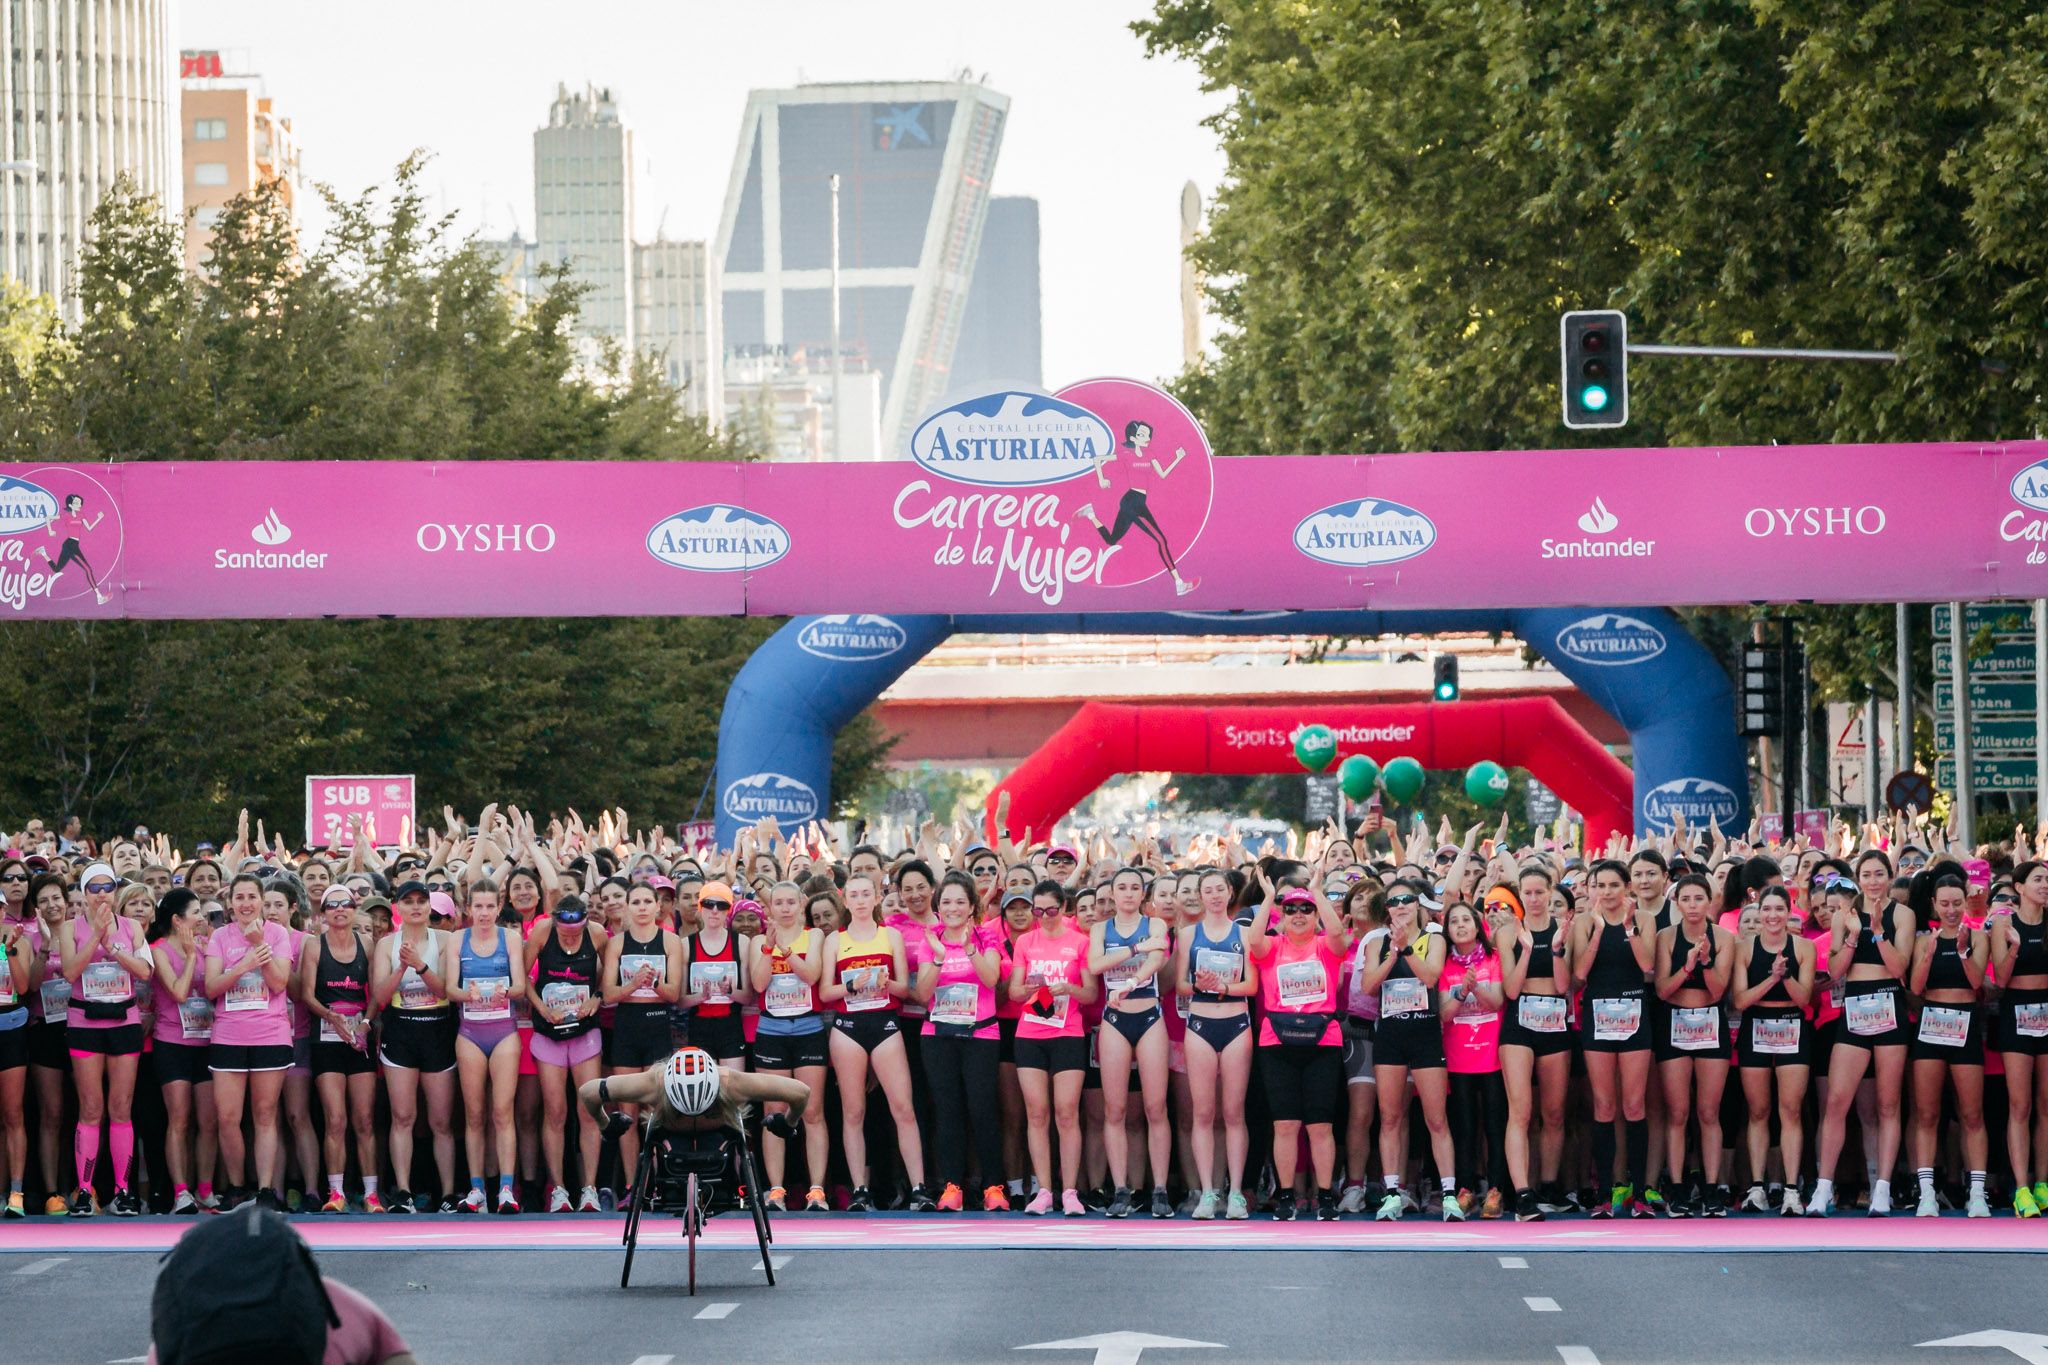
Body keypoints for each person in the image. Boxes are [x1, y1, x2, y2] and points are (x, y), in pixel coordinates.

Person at [818, 873, 931, 1211]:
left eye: (867, 893)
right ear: (846, 900)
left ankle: (919, 1188)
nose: (862, 900)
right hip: (848, 1026)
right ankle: (859, 1190)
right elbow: (825, 992)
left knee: (903, 1108)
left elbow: (904, 989)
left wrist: (883, 982)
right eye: (855, 894)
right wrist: (853, 986)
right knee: (853, 1111)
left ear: (877, 897)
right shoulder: (835, 941)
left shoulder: (891, 935)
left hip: (884, 1023)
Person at [1810, 870, 1914, 1217]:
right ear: (1860, 879)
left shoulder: (1903, 914)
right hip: (1855, 1008)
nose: (1873, 881)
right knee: (1837, 1101)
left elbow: (1900, 967)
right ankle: (1823, 1188)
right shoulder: (1844, 914)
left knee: (1888, 1104)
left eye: (1879, 874)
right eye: (1866, 874)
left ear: (1888, 877)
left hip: (1889, 1004)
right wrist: (1854, 935)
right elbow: (1836, 970)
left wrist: (1880, 933)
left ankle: (1881, 1187)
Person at [1357, 879, 1457, 1221]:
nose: (1401, 906)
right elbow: (1369, 986)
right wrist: (1393, 953)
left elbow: (1431, 978)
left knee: (1436, 1117)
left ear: (1418, 905)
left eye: (1407, 900)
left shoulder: (1434, 938)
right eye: (1394, 901)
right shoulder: (1377, 943)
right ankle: (1391, 1192)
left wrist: (1408, 949)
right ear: (1387, 908)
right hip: (1391, 1036)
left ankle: (1448, 1193)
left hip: (1426, 1033)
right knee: (1390, 1117)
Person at [912, 870, 1008, 1212]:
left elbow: (992, 978)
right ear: (939, 906)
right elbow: (923, 994)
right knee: (947, 1111)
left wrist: (969, 949)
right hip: (938, 1036)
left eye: (959, 902)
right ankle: (952, 1185)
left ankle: (993, 1186)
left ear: (971, 907)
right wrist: (939, 956)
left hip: (981, 1034)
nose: (952, 908)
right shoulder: (930, 939)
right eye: (947, 902)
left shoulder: (986, 937)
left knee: (982, 1110)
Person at [1569, 859, 1659, 1218]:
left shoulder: (1645, 920)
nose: (1606, 892)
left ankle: (1638, 1194)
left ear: (1627, 888)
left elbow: (1648, 966)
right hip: (1598, 1015)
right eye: (1599, 886)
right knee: (1604, 1106)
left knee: (1634, 1105)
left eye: (1613, 885)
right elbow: (1577, 975)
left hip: (1636, 1013)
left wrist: (1628, 928)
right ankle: (1605, 1193)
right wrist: (1594, 935)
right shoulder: (1582, 922)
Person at [63, 861, 154, 1214]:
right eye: (94, 888)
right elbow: (71, 970)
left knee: (120, 1108)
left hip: (124, 1022)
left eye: (107, 887)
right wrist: (97, 937)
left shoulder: (131, 927)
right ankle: (85, 1191)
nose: (101, 894)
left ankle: (122, 1191)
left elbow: (146, 972)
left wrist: (113, 946)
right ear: (84, 894)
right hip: (85, 1023)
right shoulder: (71, 928)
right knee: (90, 1108)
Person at [202, 872, 296, 1211]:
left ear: (261, 900)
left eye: (251, 897)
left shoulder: (278, 934)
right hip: (228, 1034)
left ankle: (267, 1189)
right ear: (230, 904)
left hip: (269, 1033)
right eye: (239, 898)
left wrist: (259, 944)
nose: (245, 904)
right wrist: (243, 964)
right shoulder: (219, 938)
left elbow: (279, 983)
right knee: (227, 1116)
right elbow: (211, 988)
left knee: (265, 1113)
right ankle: (238, 1186)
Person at [1087, 867, 1173, 1218]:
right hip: (1115, 1020)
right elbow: (1096, 964)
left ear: (1143, 894)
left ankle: (1160, 1190)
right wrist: (1134, 947)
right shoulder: (1100, 929)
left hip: (1149, 1015)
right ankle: (1120, 1188)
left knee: (1155, 1108)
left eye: (1134, 887)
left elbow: (1157, 958)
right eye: (1121, 887)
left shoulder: (1155, 924)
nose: (1127, 893)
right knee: (1115, 1109)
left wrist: (1130, 979)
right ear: (1113, 893)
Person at [1008, 877, 1096, 1215]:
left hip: (1068, 1032)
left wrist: (1067, 988)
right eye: (1038, 910)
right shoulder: (1026, 942)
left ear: (1064, 909)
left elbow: (1090, 994)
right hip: (1031, 1032)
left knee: (1066, 1112)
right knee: (1036, 1112)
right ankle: (1044, 1189)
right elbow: (1014, 992)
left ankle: (1070, 1190)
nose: (1044, 916)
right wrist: (1032, 985)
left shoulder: (1080, 942)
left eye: (1051, 910)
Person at [370, 880, 459, 1214]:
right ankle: (403, 1190)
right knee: (402, 1116)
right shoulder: (386, 945)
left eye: (422, 901)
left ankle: (449, 1193)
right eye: (408, 901)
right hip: (401, 1031)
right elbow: (379, 998)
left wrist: (420, 965)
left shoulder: (446, 940)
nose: (417, 907)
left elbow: (447, 992)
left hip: (437, 1030)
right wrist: (403, 966)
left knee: (440, 1121)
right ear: (398, 907)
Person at [1907, 873, 1991, 1218]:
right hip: (1931, 1025)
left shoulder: (1978, 936)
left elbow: (1976, 985)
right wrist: (1927, 955)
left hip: (1965, 1022)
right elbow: (1914, 988)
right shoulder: (1922, 940)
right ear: (1934, 905)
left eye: (1957, 903)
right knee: (1927, 1114)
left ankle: (1977, 1193)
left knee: (1972, 1114)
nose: (1952, 909)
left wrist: (1962, 952)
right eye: (1945, 904)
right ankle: (1926, 1191)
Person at [1652, 873, 1735, 1216]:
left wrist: (1705, 962)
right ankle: (1677, 1187)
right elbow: (1661, 989)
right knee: (1678, 1112)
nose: (1692, 906)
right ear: (1677, 902)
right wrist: (1686, 968)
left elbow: (1718, 991)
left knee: (1708, 1112)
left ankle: (1712, 1187)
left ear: (1709, 901)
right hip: (1674, 1021)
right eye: (1685, 899)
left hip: (1710, 1023)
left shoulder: (1725, 938)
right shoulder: (1665, 937)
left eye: (1698, 899)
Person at [1177, 866, 1255, 1220]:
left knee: (1233, 1112)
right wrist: (1199, 983)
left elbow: (1251, 986)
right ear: (1201, 894)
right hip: (1200, 1023)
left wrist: (1222, 987)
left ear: (1229, 893)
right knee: (1203, 1112)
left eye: (1218, 889)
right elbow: (1180, 985)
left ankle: (1235, 1192)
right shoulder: (1188, 934)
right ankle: (1208, 1191)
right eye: (1206, 890)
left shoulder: (1244, 932)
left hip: (1237, 1022)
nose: (1213, 895)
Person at [447, 880, 529, 1214]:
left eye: (489, 907)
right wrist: (469, 994)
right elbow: (451, 989)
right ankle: (477, 1188)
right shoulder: (457, 939)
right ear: (469, 908)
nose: (483, 913)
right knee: (474, 1114)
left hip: (504, 1032)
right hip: (470, 1032)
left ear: (499, 907)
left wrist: (505, 992)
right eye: (477, 907)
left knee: (502, 1111)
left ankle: (507, 1188)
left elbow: (521, 985)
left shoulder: (510, 938)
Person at [1496, 867, 1573, 1221]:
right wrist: (1526, 951)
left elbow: (1563, 986)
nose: (1533, 899)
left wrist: (1556, 949)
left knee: (1554, 1113)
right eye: (1526, 893)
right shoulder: (1508, 932)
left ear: (1549, 893)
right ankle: (1523, 1192)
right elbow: (1510, 990)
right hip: (1519, 1024)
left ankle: (1549, 1184)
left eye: (1539, 892)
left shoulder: (1563, 930)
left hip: (1554, 1021)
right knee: (1521, 1111)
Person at [749, 880, 831, 1211]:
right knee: (774, 1112)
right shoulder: (759, 940)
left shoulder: (814, 936)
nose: (784, 908)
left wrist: (784, 951)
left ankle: (816, 1190)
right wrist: (768, 950)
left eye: (790, 902)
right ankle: (776, 1191)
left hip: (808, 1026)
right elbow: (757, 984)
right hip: (772, 1027)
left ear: (800, 904)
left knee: (812, 1111)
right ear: (770, 908)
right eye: (778, 902)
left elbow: (811, 975)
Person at [1732, 885, 1814, 1215]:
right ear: (1758, 912)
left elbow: (1805, 998)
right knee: (1758, 1111)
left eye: (1779, 909)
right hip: (1756, 1024)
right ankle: (1756, 1187)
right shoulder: (1744, 949)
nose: (1772, 916)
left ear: (1789, 912)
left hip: (1792, 1024)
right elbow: (1740, 1000)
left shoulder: (1804, 947)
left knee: (1790, 1110)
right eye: (1767, 909)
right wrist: (1771, 978)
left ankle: (1792, 1189)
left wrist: (1786, 976)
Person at [599, 882, 681, 1210]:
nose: (643, 907)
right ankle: (635, 1185)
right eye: (637, 901)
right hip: (627, 1030)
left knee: (656, 1113)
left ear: (658, 907)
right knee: (627, 1113)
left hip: (658, 1028)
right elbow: (607, 994)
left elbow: (674, 993)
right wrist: (633, 983)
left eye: (649, 901)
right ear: (628, 907)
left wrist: (655, 983)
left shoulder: (671, 941)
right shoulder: (617, 943)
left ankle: (659, 1184)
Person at [525, 894, 609, 1213]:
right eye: (564, 932)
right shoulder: (542, 933)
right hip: (550, 1032)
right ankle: (559, 1189)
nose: (570, 937)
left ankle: (588, 1188)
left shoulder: (597, 934)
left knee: (588, 1109)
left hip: (585, 1031)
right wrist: (541, 1007)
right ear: (555, 923)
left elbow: (611, 970)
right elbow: (523, 980)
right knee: (555, 1111)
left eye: (576, 932)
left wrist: (597, 997)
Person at [301, 886, 381, 1214]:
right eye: (331, 905)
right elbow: (307, 994)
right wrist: (329, 1016)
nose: (338, 910)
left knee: (363, 1119)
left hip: (359, 1039)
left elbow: (375, 993)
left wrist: (366, 1023)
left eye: (345, 904)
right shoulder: (314, 946)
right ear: (323, 913)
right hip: (327, 1039)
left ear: (353, 909)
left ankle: (372, 1193)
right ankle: (336, 1192)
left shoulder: (367, 944)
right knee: (336, 1119)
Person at [148, 891, 217, 1217]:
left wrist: (202, 953)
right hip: (172, 1042)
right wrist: (190, 956)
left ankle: (206, 1189)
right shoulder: (158, 951)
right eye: (195, 913)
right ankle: (181, 1192)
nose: (201, 918)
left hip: (206, 1042)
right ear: (177, 920)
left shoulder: (205, 947)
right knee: (179, 1118)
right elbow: (177, 991)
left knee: (208, 1121)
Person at [1440, 901, 1508, 1219]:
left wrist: (1475, 987)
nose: (1461, 925)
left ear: (1477, 924)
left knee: (1495, 1127)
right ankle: (1465, 1190)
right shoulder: (1443, 964)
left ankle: (1496, 1190)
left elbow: (1496, 1001)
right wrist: (1460, 992)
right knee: (1464, 1128)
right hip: (1458, 1059)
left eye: (1467, 919)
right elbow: (1443, 1014)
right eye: (1454, 921)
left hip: (1492, 1056)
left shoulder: (1493, 958)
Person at [1991, 858, 2048, 1217]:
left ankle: (2042, 1182)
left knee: (2046, 1104)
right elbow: (1999, 979)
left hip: (2046, 1013)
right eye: (2039, 879)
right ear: (2020, 887)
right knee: (2020, 1105)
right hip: (2015, 1013)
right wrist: (2013, 948)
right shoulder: (2004, 924)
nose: (2045, 885)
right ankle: (2021, 1187)